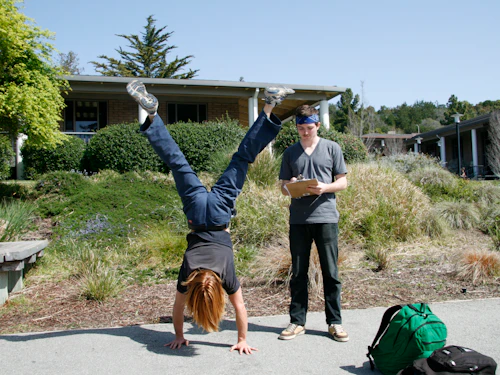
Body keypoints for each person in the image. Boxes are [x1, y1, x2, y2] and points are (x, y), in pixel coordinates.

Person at [126, 80, 294, 354]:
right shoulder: (189, 273)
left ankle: (270, 103)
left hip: (219, 213)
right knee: (177, 162)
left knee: (242, 158)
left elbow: (239, 307)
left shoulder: (225, 275)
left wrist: (242, 340)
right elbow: (178, 308)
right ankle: (153, 115)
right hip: (196, 212)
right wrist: (179, 335)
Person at [278, 104, 349, 342]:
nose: (305, 132)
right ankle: (297, 322)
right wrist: (292, 185)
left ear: (318, 125)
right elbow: (282, 187)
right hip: (298, 220)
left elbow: (343, 182)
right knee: (298, 272)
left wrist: (324, 188)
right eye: (300, 128)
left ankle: (335, 323)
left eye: (309, 128)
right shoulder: (289, 153)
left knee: (331, 272)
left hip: (326, 217)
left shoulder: (332, 148)